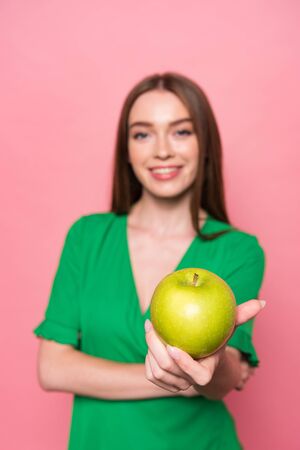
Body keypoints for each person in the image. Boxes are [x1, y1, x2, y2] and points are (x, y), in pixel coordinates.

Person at [33, 72, 266, 450]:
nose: (161, 151)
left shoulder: (237, 249)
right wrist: (185, 381)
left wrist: (218, 369)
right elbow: (52, 368)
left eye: (181, 132)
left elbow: (220, 381)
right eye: (142, 134)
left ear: (205, 143)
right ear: (127, 149)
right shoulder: (87, 237)